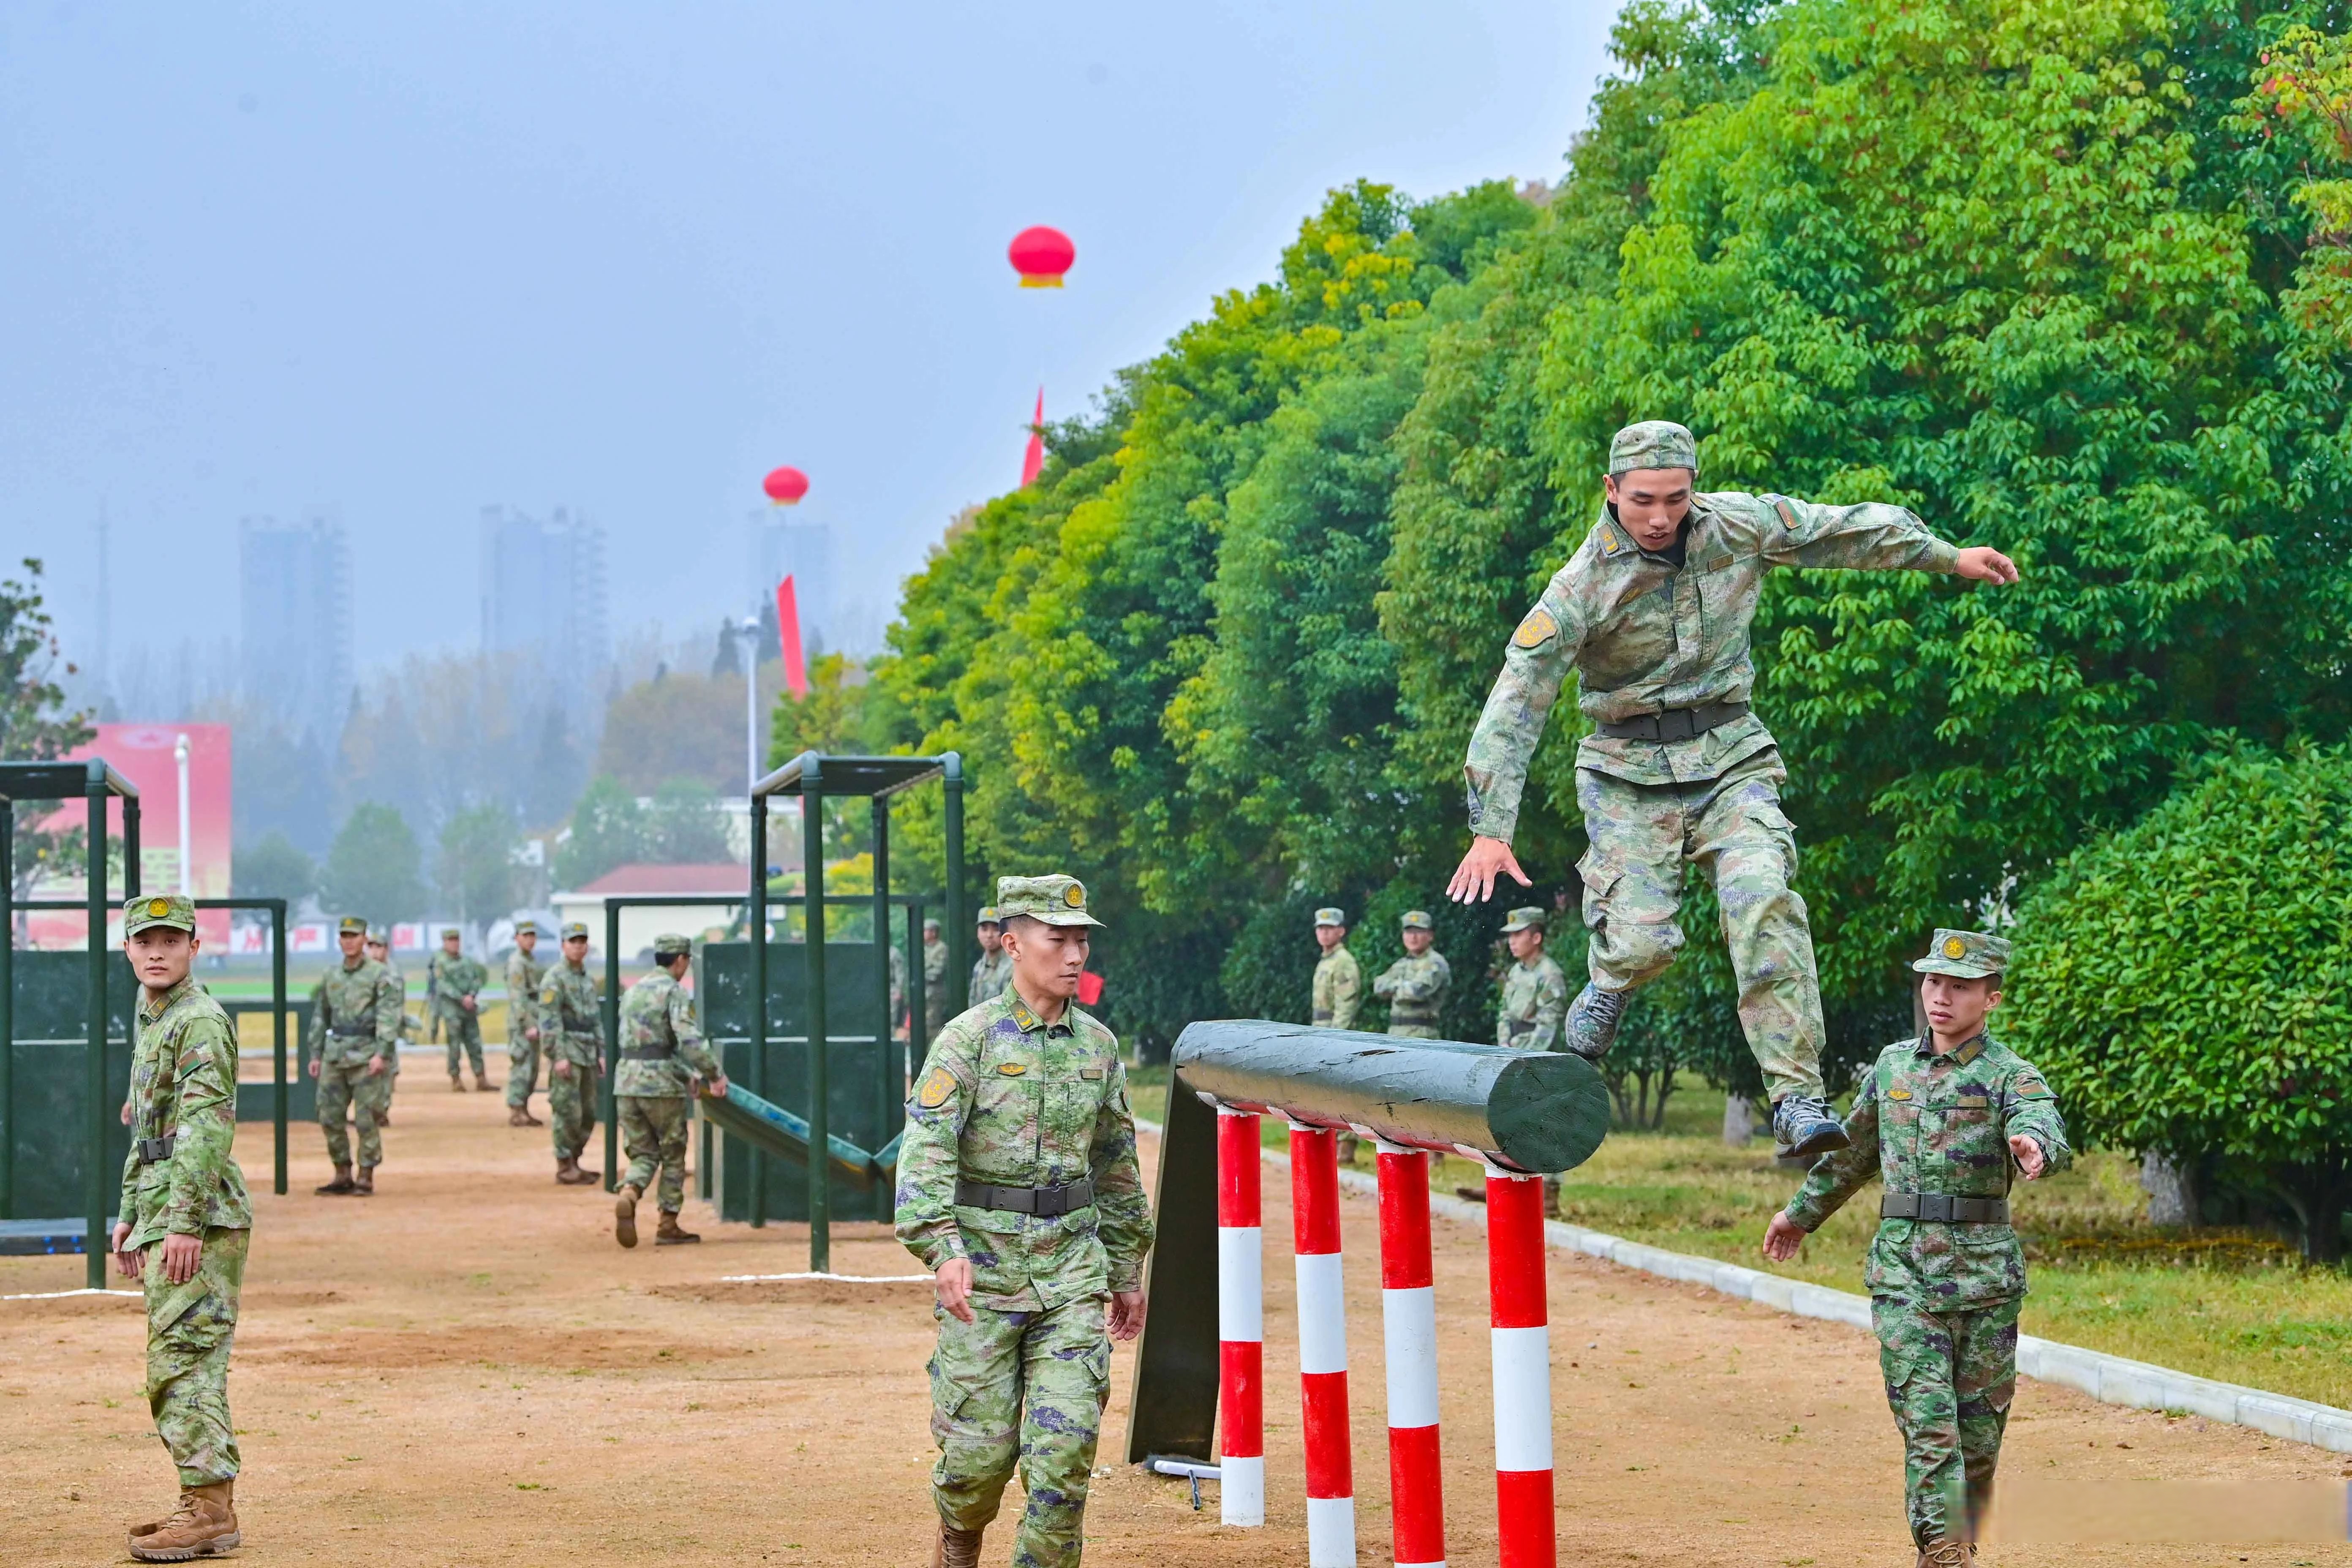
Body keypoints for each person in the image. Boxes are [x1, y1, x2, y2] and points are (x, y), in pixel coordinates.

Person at [1448, 419, 2022, 1160]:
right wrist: (1491, 826)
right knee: (1644, 941)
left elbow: (1837, 530)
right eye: (1643, 501)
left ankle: (1795, 1098)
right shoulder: (1579, 587)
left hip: (1730, 760)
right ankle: (1613, 977)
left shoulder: (1738, 525)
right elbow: (1517, 698)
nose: (1660, 518)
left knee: (1764, 901)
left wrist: (1946, 556)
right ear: (1611, 491)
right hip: (1627, 774)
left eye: (1676, 499)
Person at [1762, 930, 2068, 1565]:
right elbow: (1853, 1153)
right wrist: (1799, 1216)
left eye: (1959, 987)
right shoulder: (1893, 1066)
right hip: (1905, 1275)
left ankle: (1950, 1548)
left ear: (1992, 999)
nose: (1941, 996)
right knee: (1930, 1426)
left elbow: (2038, 1116)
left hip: (1986, 1281)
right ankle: (1944, 1547)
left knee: (1979, 1439)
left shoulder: (2013, 1074)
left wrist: (2034, 1144)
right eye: (1933, 982)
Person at [896, 874, 1154, 1568]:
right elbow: (923, 1157)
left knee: (1063, 1457)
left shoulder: (1096, 1047)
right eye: (1057, 939)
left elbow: (1116, 1164)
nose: (1074, 954)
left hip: (1071, 1275)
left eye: (1082, 941)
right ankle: (958, 1539)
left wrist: (1128, 1268)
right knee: (977, 1462)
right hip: (982, 1277)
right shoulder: (966, 1042)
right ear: (1012, 944)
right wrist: (942, 1247)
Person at [110, 893, 253, 1562]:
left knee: (184, 1358)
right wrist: (132, 1214)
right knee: (178, 1359)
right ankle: (204, 1503)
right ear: (129, 950)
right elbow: (148, 1133)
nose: (157, 952)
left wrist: (182, 1223)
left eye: (171, 941)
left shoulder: (197, 1020)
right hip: (167, 1207)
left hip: (196, 1214)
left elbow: (203, 1129)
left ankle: (209, 1511)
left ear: (196, 946)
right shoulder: (154, 1017)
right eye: (146, 942)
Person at [612, 934, 729, 1247]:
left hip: (626, 1081)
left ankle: (630, 1192)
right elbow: (687, 1039)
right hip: (661, 1087)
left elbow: (644, 1045)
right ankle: (668, 1223)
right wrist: (713, 1074)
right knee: (672, 1152)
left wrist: (685, 1073)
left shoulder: (634, 991)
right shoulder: (674, 992)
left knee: (642, 1152)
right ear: (680, 960)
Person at [308, 916, 398, 1195]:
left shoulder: (379, 975)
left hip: (366, 1054)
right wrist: (316, 1053)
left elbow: (388, 1016)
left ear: (364, 939)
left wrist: (382, 1053)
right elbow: (321, 1016)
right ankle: (342, 1172)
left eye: (354, 936)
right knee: (329, 1115)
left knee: (366, 1118)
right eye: (344, 936)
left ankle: (366, 1175)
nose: (349, 941)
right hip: (335, 1054)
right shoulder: (331, 975)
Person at [1496, 906, 1572, 1214]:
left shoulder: (1549, 973)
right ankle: (1517, 1184)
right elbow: (1504, 1012)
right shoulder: (1517, 972)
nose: (1512, 941)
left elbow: (1549, 1023)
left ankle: (1550, 1193)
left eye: (1519, 935)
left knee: (1547, 1122)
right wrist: (1504, 1044)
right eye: (1510, 936)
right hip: (1514, 1052)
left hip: (1540, 1058)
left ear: (1537, 937)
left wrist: (1527, 1057)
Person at [539, 921, 605, 1186]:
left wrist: (602, 1051)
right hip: (568, 1049)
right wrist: (558, 1056)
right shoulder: (554, 979)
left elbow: (595, 1019)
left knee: (589, 1111)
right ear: (563, 946)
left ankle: (576, 1160)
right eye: (573, 942)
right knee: (568, 1110)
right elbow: (549, 1020)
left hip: (588, 1050)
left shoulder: (587, 979)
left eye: (582, 942)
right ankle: (564, 1164)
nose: (578, 947)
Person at [428, 927, 492, 1092]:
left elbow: (477, 980)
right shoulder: (440, 963)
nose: (455, 944)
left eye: (457, 940)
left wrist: (471, 995)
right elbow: (443, 985)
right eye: (451, 941)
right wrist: (461, 998)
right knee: (454, 1047)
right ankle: (456, 1079)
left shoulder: (467, 962)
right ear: (445, 943)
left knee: (475, 1045)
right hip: (453, 1011)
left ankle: (481, 1078)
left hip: (469, 1010)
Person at [1371, 910, 1450, 1038]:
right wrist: (1401, 987)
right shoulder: (1402, 963)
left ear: (1430, 935)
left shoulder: (1435, 963)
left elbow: (1416, 992)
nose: (1413, 937)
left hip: (1422, 1035)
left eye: (1419, 932)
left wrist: (1394, 987)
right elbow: (1379, 986)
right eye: (1409, 932)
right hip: (1395, 1033)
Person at [361, 933, 408, 1129]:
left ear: (386, 950)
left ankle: (382, 1111)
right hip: (365, 1030)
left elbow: (396, 1003)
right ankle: (366, 1110)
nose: (375, 951)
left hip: (386, 1029)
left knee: (387, 1071)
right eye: (371, 947)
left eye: (378, 947)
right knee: (364, 1072)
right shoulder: (363, 971)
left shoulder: (393, 974)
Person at [504, 920, 547, 1128]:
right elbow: (518, 997)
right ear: (517, 938)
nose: (530, 940)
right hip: (522, 1023)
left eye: (533, 936)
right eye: (526, 936)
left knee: (532, 1068)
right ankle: (516, 1109)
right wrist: (528, 1023)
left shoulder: (530, 961)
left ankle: (524, 1108)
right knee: (522, 1066)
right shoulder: (517, 964)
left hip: (533, 1019)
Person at [1309, 908, 1361, 1030]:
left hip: (1333, 1031)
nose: (1324, 933)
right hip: (1320, 1029)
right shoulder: (1326, 960)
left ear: (1341, 931)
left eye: (1330, 928)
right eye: (1321, 929)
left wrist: (1335, 1036)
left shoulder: (1343, 961)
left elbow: (1346, 1006)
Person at [968, 906, 1012, 1004]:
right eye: (984, 929)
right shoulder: (979, 967)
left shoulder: (1014, 967)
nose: (989, 935)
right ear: (978, 933)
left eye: (996, 929)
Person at [921, 915, 950, 1041]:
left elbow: (937, 972)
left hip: (935, 994)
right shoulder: (924, 948)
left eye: (925, 930)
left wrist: (923, 973)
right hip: (924, 993)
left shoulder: (941, 949)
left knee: (933, 1026)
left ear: (933, 932)